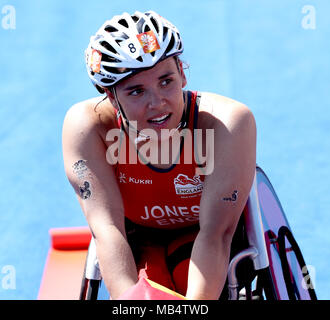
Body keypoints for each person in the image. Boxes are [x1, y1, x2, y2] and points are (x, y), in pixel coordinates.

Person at [62, 10, 256, 300]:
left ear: (182, 72)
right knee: (152, 290)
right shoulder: (88, 127)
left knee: (184, 279)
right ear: (112, 97)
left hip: (205, 233)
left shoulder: (228, 123)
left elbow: (216, 234)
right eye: (137, 91)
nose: (157, 103)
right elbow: (108, 230)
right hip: (138, 239)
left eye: (166, 81)